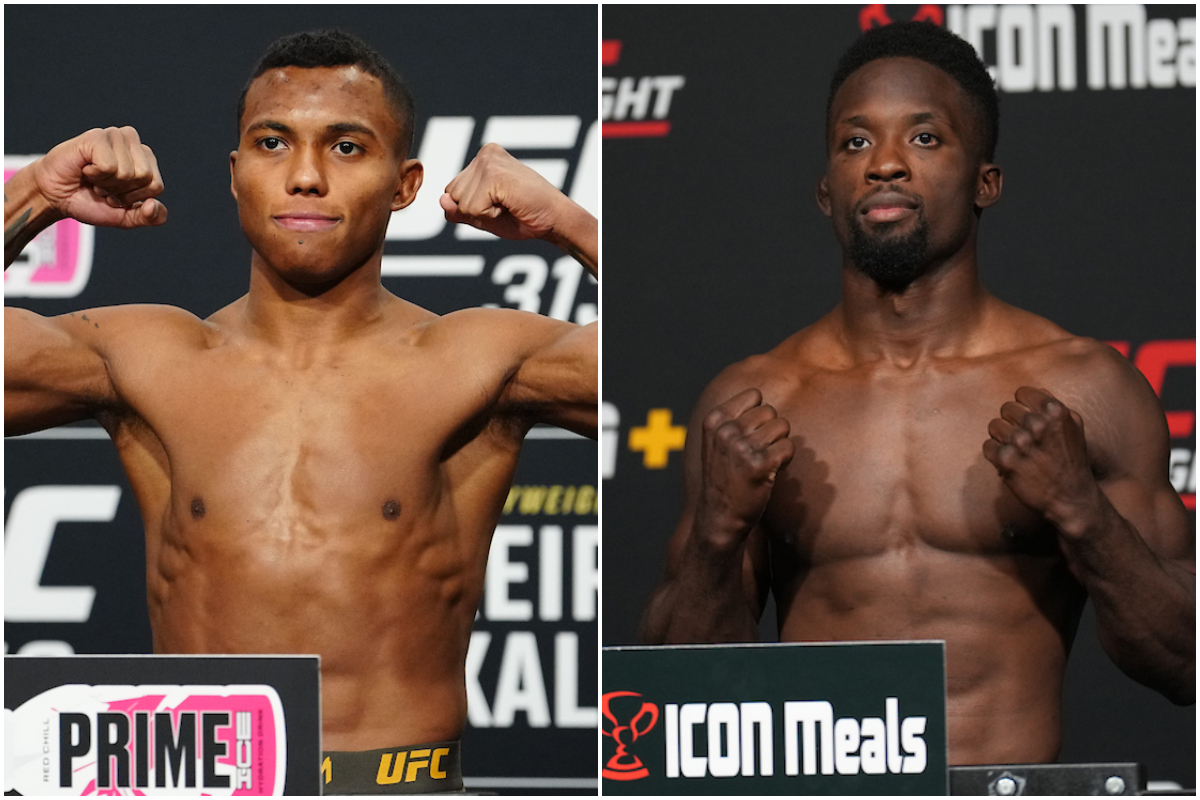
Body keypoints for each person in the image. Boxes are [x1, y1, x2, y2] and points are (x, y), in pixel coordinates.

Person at [4, 29, 596, 795]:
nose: (306, 177)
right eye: (273, 143)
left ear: (405, 184)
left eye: (346, 147)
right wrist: (33, 195)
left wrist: (570, 225)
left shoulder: (476, 360)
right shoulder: (149, 358)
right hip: (201, 780)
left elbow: (668, 367)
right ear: (235, 173)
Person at [640, 21, 1193, 766]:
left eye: (925, 138)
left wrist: (1083, 513)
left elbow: (1184, 663)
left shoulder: (1087, 390)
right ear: (825, 191)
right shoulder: (754, 400)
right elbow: (674, 696)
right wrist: (716, 535)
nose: (885, 164)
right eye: (855, 142)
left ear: (986, 183)